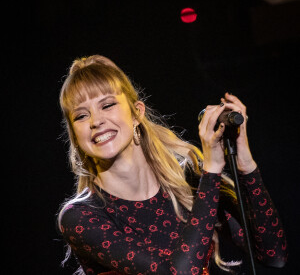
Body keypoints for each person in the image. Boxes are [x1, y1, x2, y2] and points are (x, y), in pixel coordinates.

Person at [57, 55, 287, 275]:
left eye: (107, 105)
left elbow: (273, 255)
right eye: (81, 116)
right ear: (75, 135)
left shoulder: (189, 183)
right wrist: (212, 170)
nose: (96, 121)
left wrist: (246, 165)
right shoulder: (81, 217)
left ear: (137, 113)